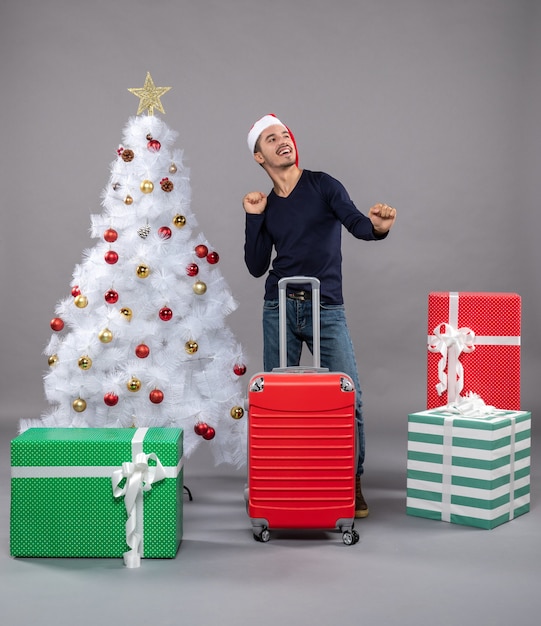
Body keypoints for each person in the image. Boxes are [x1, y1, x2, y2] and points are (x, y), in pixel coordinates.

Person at [242, 114, 396, 517]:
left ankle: (351, 482)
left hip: (325, 306)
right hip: (279, 306)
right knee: (276, 399)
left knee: (350, 398)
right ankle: (279, 479)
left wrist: (378, 228)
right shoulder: (268, 204)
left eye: (285, 135)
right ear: (260, 157)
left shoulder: (323, 184)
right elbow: (257, 266)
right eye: (271, 139)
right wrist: (254, 217)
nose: (282, 141)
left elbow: (358, 224)